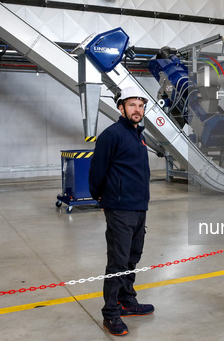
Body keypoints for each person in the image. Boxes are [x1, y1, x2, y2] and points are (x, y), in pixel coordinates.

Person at [89, 86, 154, 336]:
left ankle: (128, 301)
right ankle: (111, 313)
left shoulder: (139, 135)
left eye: (140, 105)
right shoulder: (112, 135)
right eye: (132, 105)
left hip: (139, 207)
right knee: (117, 261)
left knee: (132, 257)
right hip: (119, 208)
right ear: (121, 108)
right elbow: (97, 171)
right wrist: (101, 195)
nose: (137, 110)